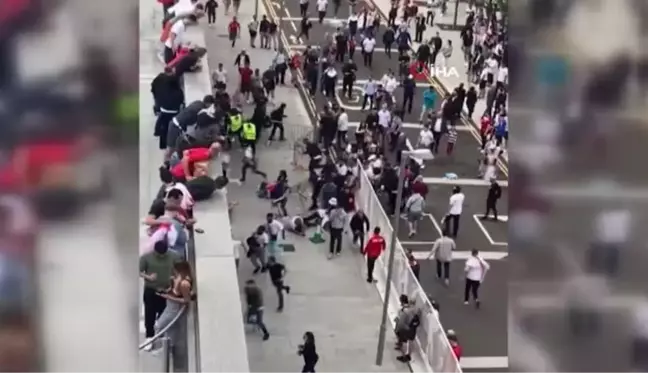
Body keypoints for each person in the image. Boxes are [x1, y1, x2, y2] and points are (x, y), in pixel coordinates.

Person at [139, 240, 180, 350]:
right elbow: (139, 270)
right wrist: (148, 277)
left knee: (163, 315)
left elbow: (180, 270)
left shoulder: (174, 256)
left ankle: (162, 337)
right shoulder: (146, 257)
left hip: (166, 291)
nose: (161, 256)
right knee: (150, 315)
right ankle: (149, 337)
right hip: (151, 290)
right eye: (159, 255)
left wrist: (174, 281)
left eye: (164, 254)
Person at [154, 261, 194, 344]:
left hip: (175, 309)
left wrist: (169, 297)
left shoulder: (184, 284)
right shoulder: (178, 278)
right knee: (171, 330)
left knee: (160, 326)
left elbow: (186, 300)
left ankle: (165, 346)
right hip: (170, 306)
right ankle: (168, 348)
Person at [394, 295, 421, 363]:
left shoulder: (406, 311)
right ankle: (408, 355)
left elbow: (402, 323)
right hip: (413, 329)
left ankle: (404, 356)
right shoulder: (416, 310)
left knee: (404, 341)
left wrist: (401, 328)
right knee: (410, 342)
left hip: (407, 329)